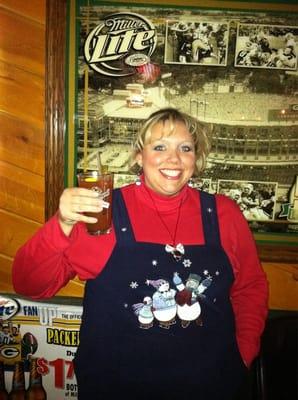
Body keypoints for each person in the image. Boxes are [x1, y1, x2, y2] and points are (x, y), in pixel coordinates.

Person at [12, 108, 268, 399]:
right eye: (160, 147)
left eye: (185, 148)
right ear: (139, 156)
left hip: (210, 385)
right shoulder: (103, 213)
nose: (173, 159)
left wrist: (243, 353)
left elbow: (250, 287)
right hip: (117, 388)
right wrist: (62, 223)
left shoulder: (224, 213)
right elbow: (29, 283)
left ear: (196, 159)